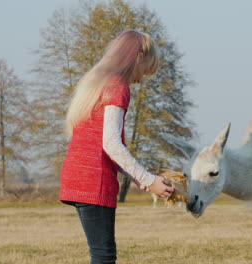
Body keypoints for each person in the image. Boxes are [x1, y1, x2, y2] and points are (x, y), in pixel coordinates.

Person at [59, 30, 174, 264]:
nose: (141, 78)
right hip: (94, 180)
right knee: (104, 256)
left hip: (76, 177)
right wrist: (149, 180)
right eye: (146, 68)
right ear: (138, 56)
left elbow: (105, 145)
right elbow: (111, 144)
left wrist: (142, 180)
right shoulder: (117, 87)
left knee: (100, 254)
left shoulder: (96, 84)